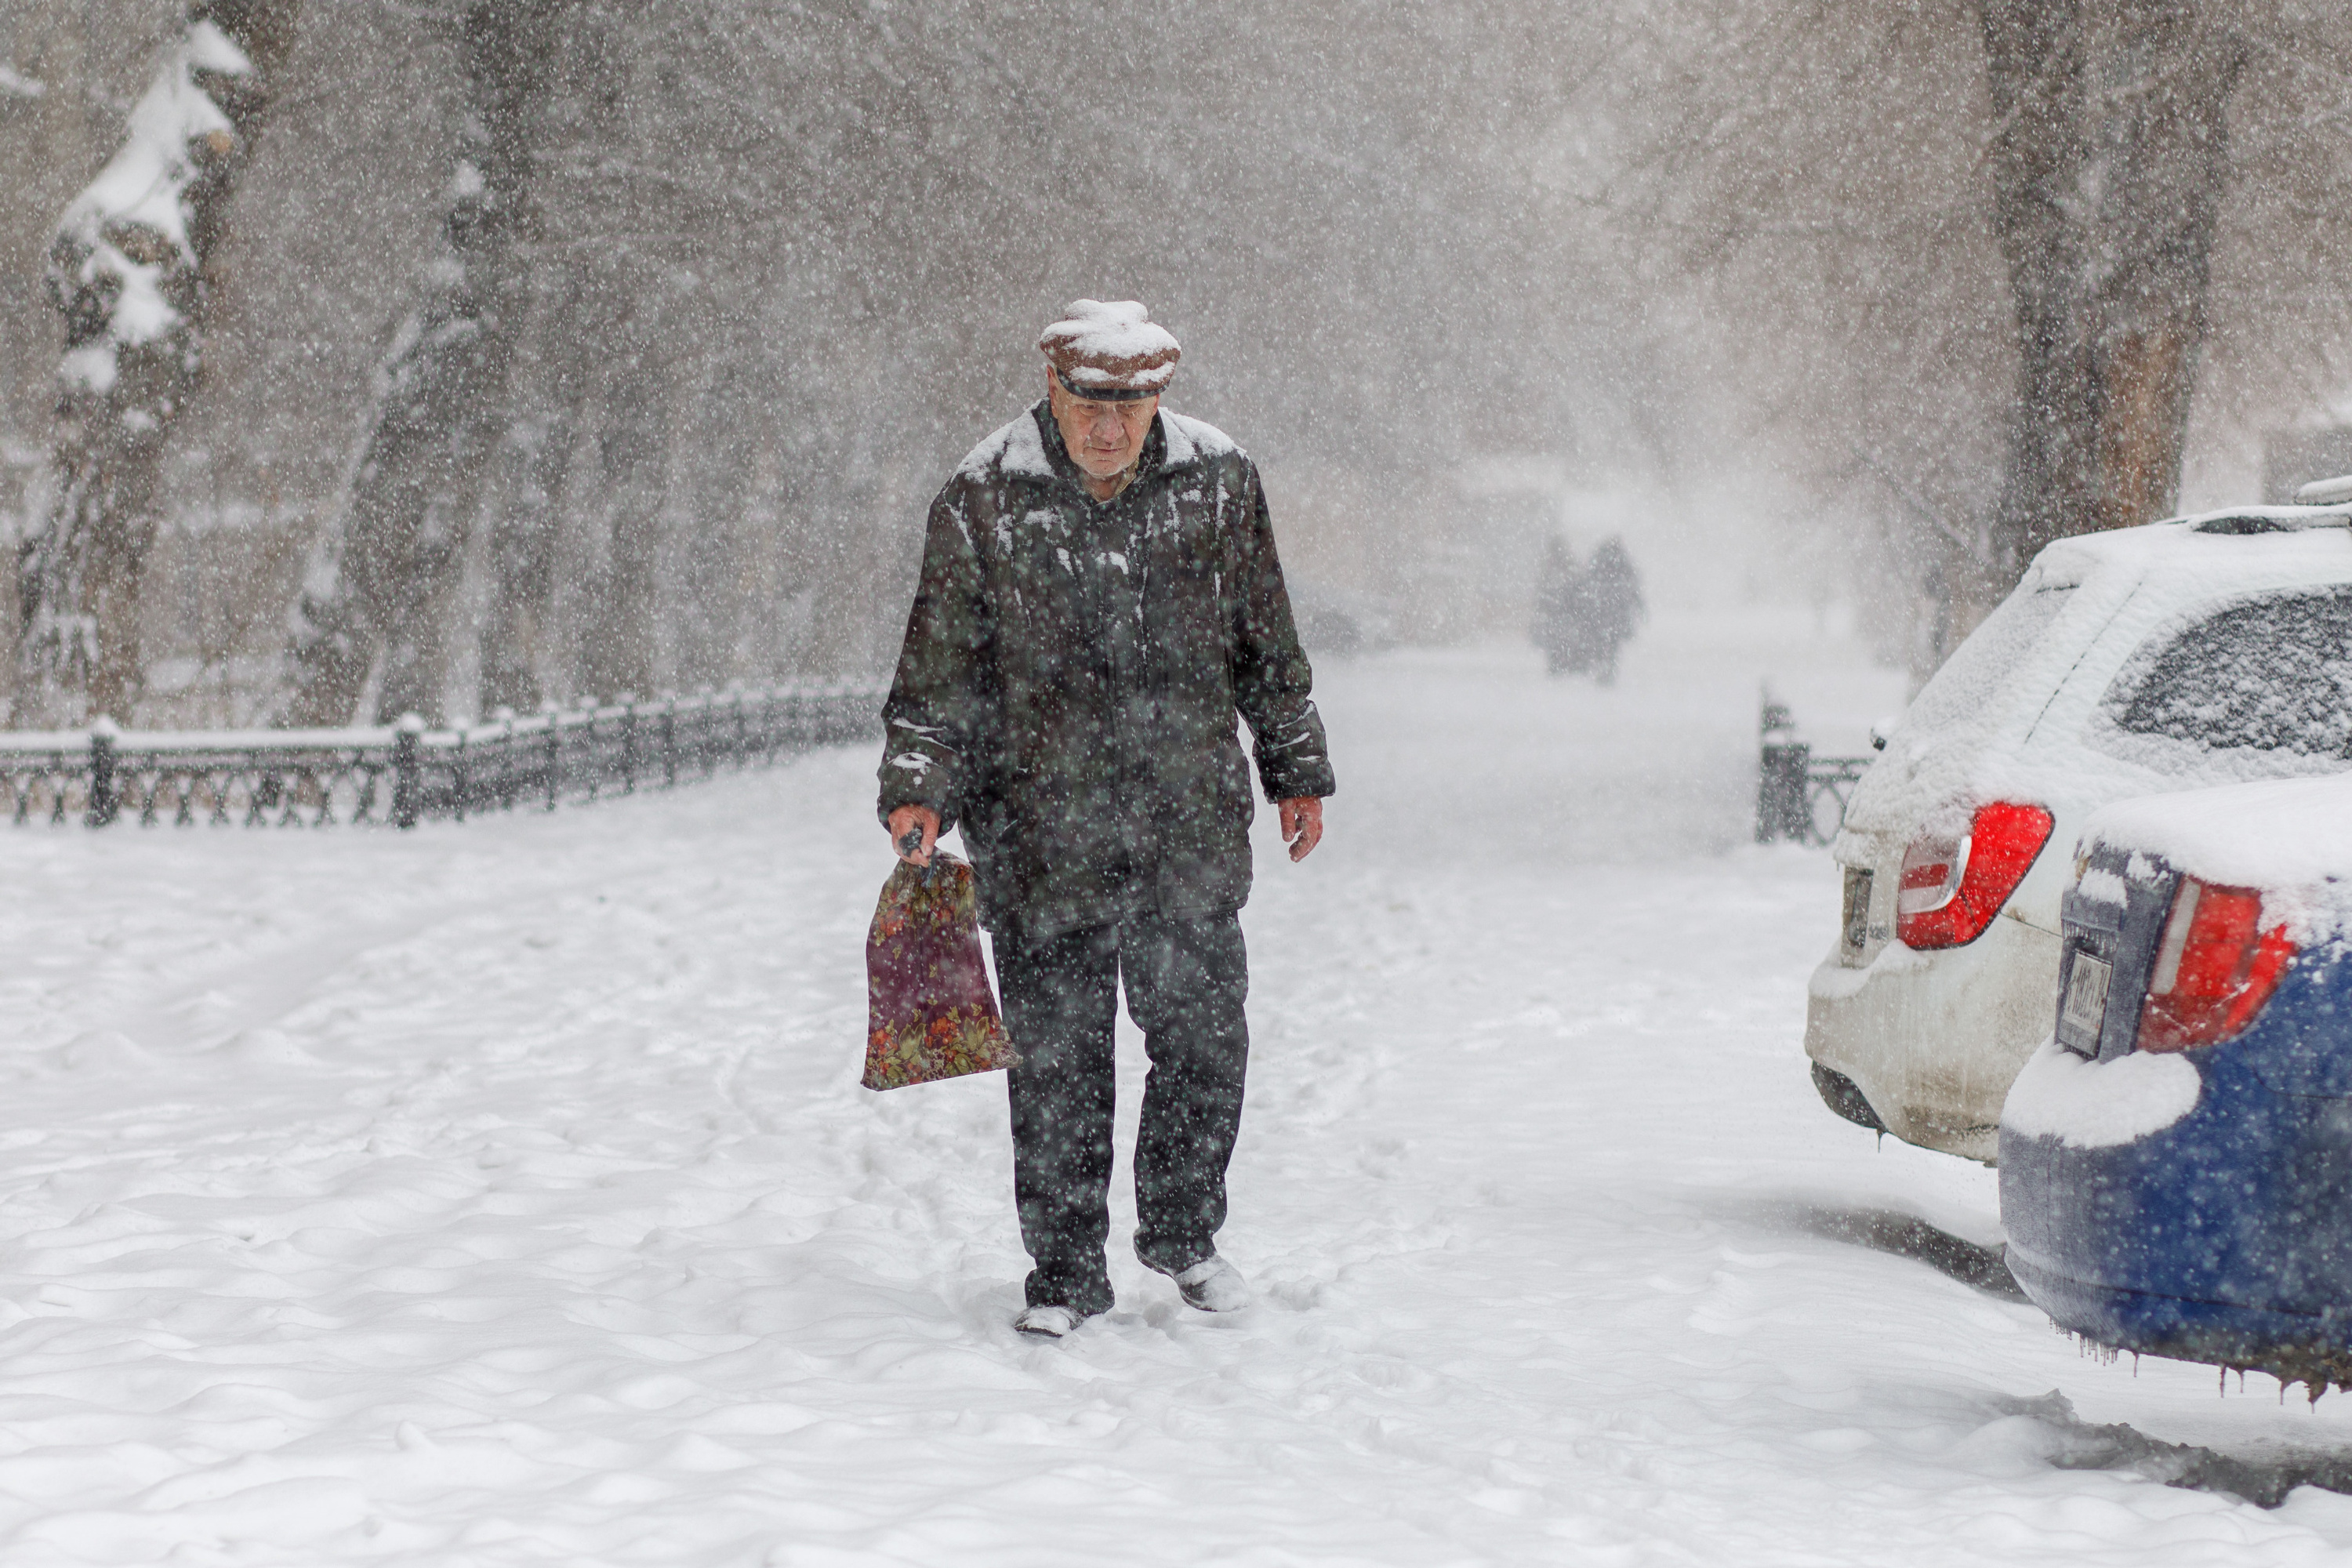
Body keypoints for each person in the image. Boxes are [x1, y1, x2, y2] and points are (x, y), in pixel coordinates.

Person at [877, 299, 1336, 1339]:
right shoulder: (984, 497)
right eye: (1091, 400)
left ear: (1159, 395)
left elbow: (1268, 643)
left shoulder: (1219, 482)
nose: (1109, 425)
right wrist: (918, 786)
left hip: (1186, 831)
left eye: (1131, 403)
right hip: (1041, 836)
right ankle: (1064, 1271)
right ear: (1054, 387)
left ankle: (1181, 1233)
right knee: (1058, 1066)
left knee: (1204, 1044)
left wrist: (1294, 769)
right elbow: (939, 672)